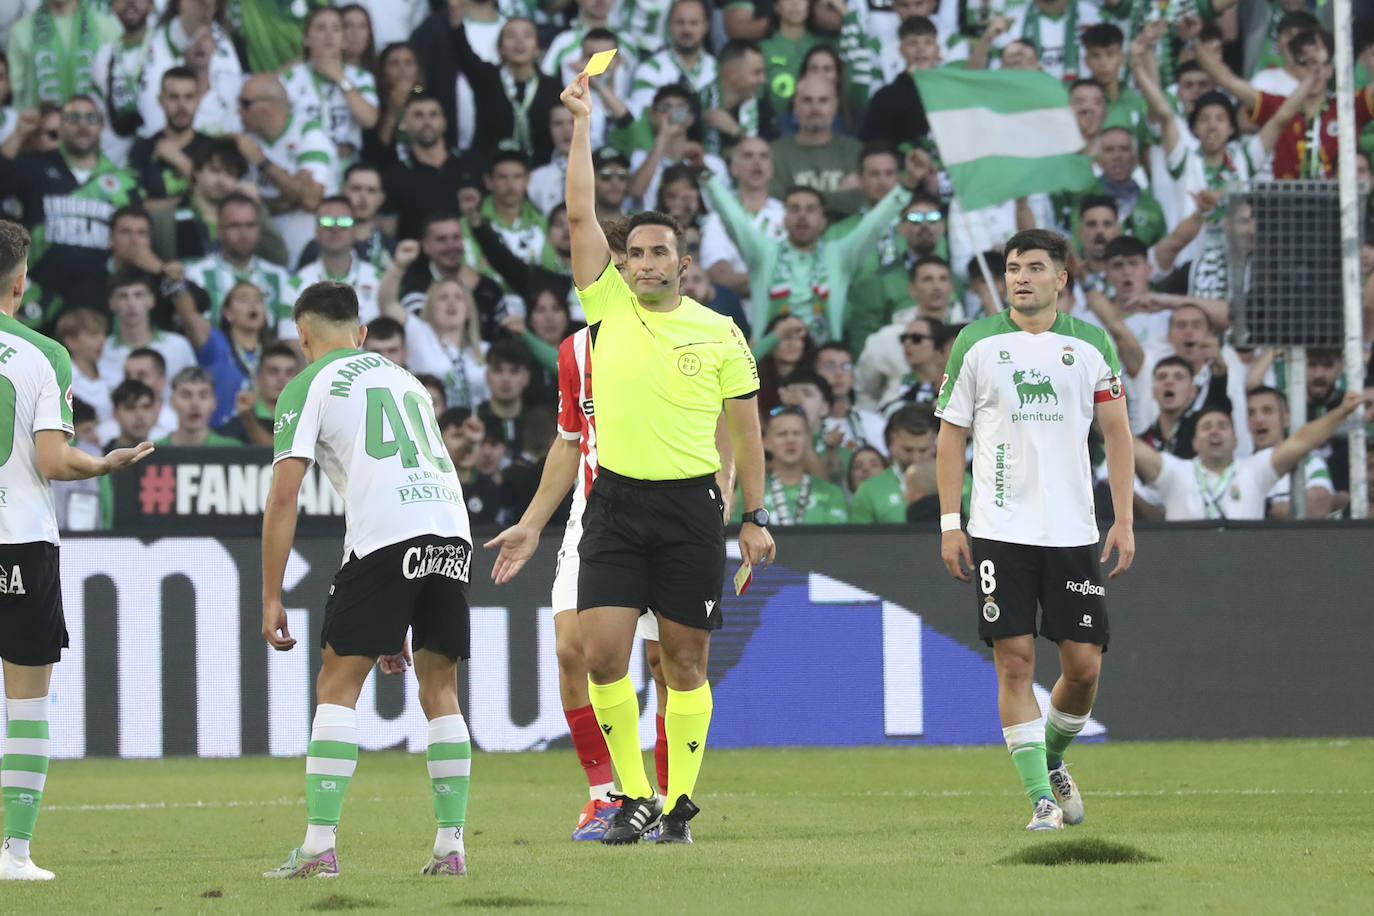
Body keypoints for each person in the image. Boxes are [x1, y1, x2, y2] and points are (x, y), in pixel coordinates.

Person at [555, 69, 775, 845]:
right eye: (636, 253)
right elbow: (580, 209)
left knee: (683, 664)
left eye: (660, 253)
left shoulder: (720, 333)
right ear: (623, 263)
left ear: (684, 262)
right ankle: (636, 795)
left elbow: (747, 431)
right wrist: (582, 121)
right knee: (602, 655)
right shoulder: (606, 306)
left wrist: (754, 514)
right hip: (614, 503)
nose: (646, 264)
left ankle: (677, 804)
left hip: (690, 508)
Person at [262, 280, 476, 878]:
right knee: (442, 690)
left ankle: (317, 849)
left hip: (386, 535)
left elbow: (284, 501)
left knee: (336, 685)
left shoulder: (307, 385)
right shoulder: (404, 379)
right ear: (360, 333)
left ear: (302, 334)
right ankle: (451, 847)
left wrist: (272, 594)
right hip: (449, 530)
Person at [935, 228, 1136, 832]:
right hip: (1000, 528)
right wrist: (951, 523)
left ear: (1061, 278)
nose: (1020, 277)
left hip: (1073, 531)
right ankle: (1040, 802)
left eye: (1033, 267)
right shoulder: (976, 343)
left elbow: (1118, 434)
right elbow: (950, 436)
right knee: (1015, 664)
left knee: (1083, 668)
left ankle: (1049, 759)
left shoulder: (1092, 344)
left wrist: (1123, 517)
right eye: (1012, 267)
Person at [0, 220, 153, 881]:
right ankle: (14, 854)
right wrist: (103, 463)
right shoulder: (43, 355)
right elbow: (52, 460)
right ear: (21, 279)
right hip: (21, 541)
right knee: (27, 702)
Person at [1133, 394, 1363, 522]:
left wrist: (1341, 412)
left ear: (1236, 440)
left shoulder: (1255, 469)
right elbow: (1129, 445)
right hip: (1187, 566)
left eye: (1223, 426)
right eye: (1206, 427)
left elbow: (1301, 441)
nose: (1214, 431)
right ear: (1194, 443)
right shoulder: (1175, 471)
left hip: (1243, 567)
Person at [1246, 386, 1342, 519]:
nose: (1258, 419)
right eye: (1251, 413)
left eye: (1267, 411)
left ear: (1285, 417)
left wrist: (1263, 508)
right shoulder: (1239, 468)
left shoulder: (1310, 463)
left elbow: (1319, 504)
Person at [851, 405, 938, 523]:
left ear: (936, 444)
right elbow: (857, 540)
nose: (915, 459)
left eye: (923, 450)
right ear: (892, 441)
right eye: (907, 450)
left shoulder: (962, 482)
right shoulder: (868, 491)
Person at [154, 366, 242, 447]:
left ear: (214, 402)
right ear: (172, 401)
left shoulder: (232, 449)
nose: (195, 404)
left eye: (203, 396)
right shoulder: (154, 452)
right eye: (186, 395)